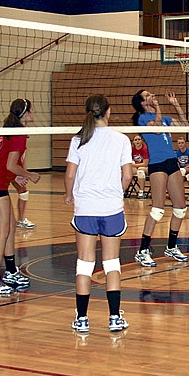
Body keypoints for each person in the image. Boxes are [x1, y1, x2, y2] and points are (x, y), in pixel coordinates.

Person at [65, 95, 133, 333]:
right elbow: (127, 176)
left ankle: (82, 319)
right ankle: (114, 317)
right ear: (108, 112)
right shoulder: (122, 140)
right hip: (111, 208)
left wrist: (69, 195)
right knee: (112, 263)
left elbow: (70, 174)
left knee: (84, 265)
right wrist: (117, 193)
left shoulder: (78, 139)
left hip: (86, 209)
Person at [0, 98, 41, 294]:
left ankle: (11, 271)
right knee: (2, 232)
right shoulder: (18, 134)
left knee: (11, 228)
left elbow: (3, 162)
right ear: (25, 113)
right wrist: (29, 175)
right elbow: (9, 165)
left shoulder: (9, 130)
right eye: (31, 110)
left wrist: (16, 176)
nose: (34, 113)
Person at [131, 90, 189, 266]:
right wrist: (157, 107)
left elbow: (186, 126)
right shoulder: (142, 119)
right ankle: (142, 250)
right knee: (158, 209)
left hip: (172, 162)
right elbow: (156, 130)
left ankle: (171, 247)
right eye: (147, 95)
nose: (152, 96)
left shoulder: (164, 118)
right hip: (157, 164)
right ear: (142, 103)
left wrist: (176, 104)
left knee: (181, 208)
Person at [131, 135, 150, 199]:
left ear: (142, 141)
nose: (137, 141)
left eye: (139, 139)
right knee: (124, 171)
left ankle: (141, 192)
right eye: (135, 140)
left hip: (146, 168)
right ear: (133, 142)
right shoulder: (132, 149)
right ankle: (123, 190)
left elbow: (145, 163)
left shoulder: (145, 148)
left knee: (140, 171)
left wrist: (135, 165)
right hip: (136, 167)